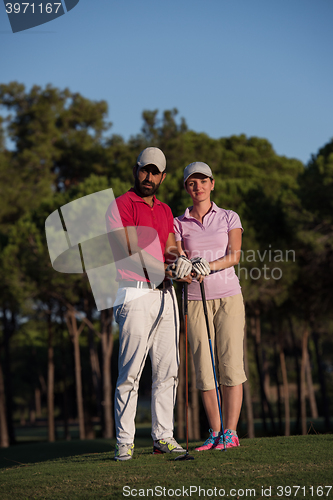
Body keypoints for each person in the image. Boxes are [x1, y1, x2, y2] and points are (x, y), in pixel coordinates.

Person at [106, 147, 192, 461]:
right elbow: (128, 248)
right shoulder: (121, 205)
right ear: (136, 169)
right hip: (134, 292)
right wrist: (167, 267)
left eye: (155, 172)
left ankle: (163, 437)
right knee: (130, 373)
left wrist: (181, 262)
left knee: (168, 370)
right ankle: (125, 442)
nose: (149, 177)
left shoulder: (166, 209)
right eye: (145, 170)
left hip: (166, 294)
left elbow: (170, 247)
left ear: (163, 176)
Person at [174, 161, 247, 450]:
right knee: (204, 368)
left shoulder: (229, 217)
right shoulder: (178, 223)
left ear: (212, 184)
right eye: (192, 182)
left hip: (228, 297)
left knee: (230, 364)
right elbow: (177, 257)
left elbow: (234, 255)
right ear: (186, 187)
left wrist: (209, 265)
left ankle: (231, 433)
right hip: (194, 299)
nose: (198, 186)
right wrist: (182, 266)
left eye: (203, 180)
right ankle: (215, 433)